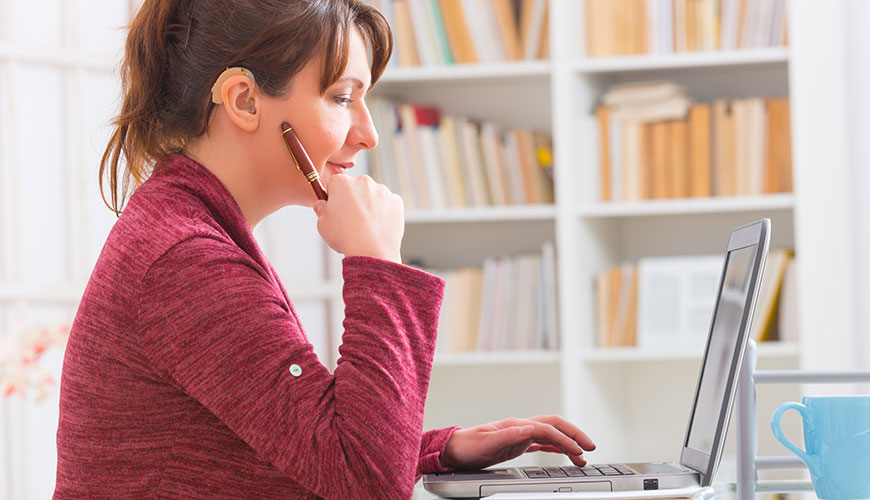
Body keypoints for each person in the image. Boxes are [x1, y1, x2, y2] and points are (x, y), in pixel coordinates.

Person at [53, 0, 595, 498]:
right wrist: (378, 263)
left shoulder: (191, 231)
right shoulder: (186, 259)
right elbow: (366, 484)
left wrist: (433, 451)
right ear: (244, 101)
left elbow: (308, 448)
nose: (368, 133)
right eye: (341, 97)